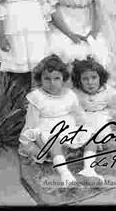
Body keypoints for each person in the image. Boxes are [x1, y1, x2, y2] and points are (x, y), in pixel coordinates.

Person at [18, 54, 104, 183]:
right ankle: (66, 175)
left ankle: (89, 170)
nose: (52, 83)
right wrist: (30, 142)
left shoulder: (69, 94)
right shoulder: (37, 97)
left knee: (91, 137)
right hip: (48, 132)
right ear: (40, 79)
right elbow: (31, 124)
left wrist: (84, 130)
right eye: (47, 79)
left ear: (63, 79)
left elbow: (79, 115)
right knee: (54, 142)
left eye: (56, 78)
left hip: (69, 129)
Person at [71, 56, 116, 147]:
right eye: (85, 79)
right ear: (79, 81)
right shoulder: (76, 94)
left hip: (106, 117)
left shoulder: (107, 91)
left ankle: (111, 139)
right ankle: (98, 143)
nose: (90, 82)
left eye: (94, 77)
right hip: (86, 120)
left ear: (100, 78)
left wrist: (114, 119)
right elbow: (77, 115)